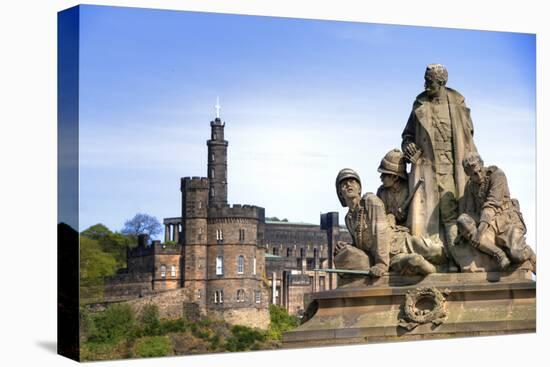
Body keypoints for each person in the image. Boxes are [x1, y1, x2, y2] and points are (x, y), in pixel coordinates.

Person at [401, 63, 477, 269]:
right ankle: (437, 259)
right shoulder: (419, 105)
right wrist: (408, 147)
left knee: (451, 214)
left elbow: (469, 140)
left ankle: (457, 259)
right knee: (427, 219)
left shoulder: (458, 105)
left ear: (442, 82)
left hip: (453, 168)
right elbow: (407, 136)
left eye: (430, 82)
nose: (425, 85)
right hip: (426, 169)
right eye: (425, 81)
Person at [334, 169, 445, 277]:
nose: (349, 185)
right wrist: (348, 246)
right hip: (390, 258)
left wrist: (381, 264)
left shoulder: (370, 201)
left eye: (352, 182)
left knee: (437, 251)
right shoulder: (348, 219)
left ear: (359, 189)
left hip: (400, 243)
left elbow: (380, 232)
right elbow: (362, 245)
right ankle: (439, 272)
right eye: (344, 184)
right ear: (340, 193)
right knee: (415, 262)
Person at [460, 152, 536, 272]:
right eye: (474, 174)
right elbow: (469, 211)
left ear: (481, 164)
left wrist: (480, 230)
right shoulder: (469, 186)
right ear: (468, 174)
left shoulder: (497, 175)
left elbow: (492, 204)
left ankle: (531, 257)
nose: (478, 176)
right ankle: (499, 255)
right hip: (488, 225)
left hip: (507, 220)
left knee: (518, 254)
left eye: (479, 171)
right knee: (463, 220)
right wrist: (466, 230)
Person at [376, 148, 409, 226]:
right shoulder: (382, 192)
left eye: (384, 175)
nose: (381, 178)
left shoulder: (409, 189)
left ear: (395, 177)